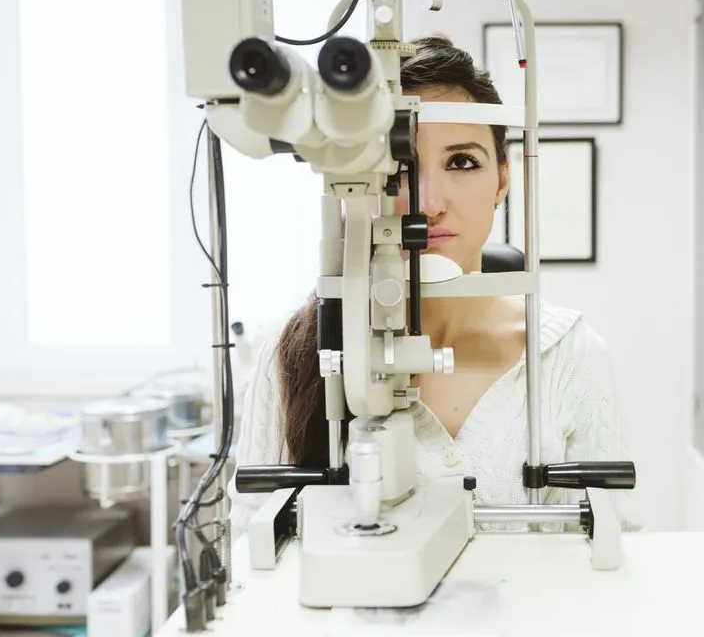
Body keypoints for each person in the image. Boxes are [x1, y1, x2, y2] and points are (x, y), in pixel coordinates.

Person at [229, 34, 642, 538]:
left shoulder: (565, 354)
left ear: (503, 180)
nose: (429, 201)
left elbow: (613, 546)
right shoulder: (295, 350)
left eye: (462, 162)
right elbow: (250, 550)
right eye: (399, 167)